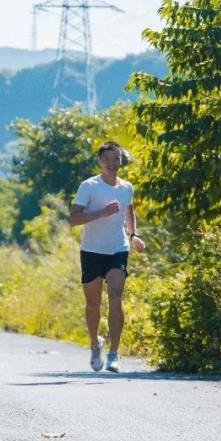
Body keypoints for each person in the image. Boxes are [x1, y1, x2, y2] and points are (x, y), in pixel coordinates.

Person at [68, 141, 145, 373]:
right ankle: (95, 344)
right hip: (92, 250)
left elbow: (128, 211)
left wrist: (133, 235)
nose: (112, 163)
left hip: (117, 248)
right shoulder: (89, 186)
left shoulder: (126, 188)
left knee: (115, 295)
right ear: (100, 162)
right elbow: (73, 220)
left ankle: (114, 353)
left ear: (121, 160)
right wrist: (101, 213)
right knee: (93, 304)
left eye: (116, 159)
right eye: (108, 159)